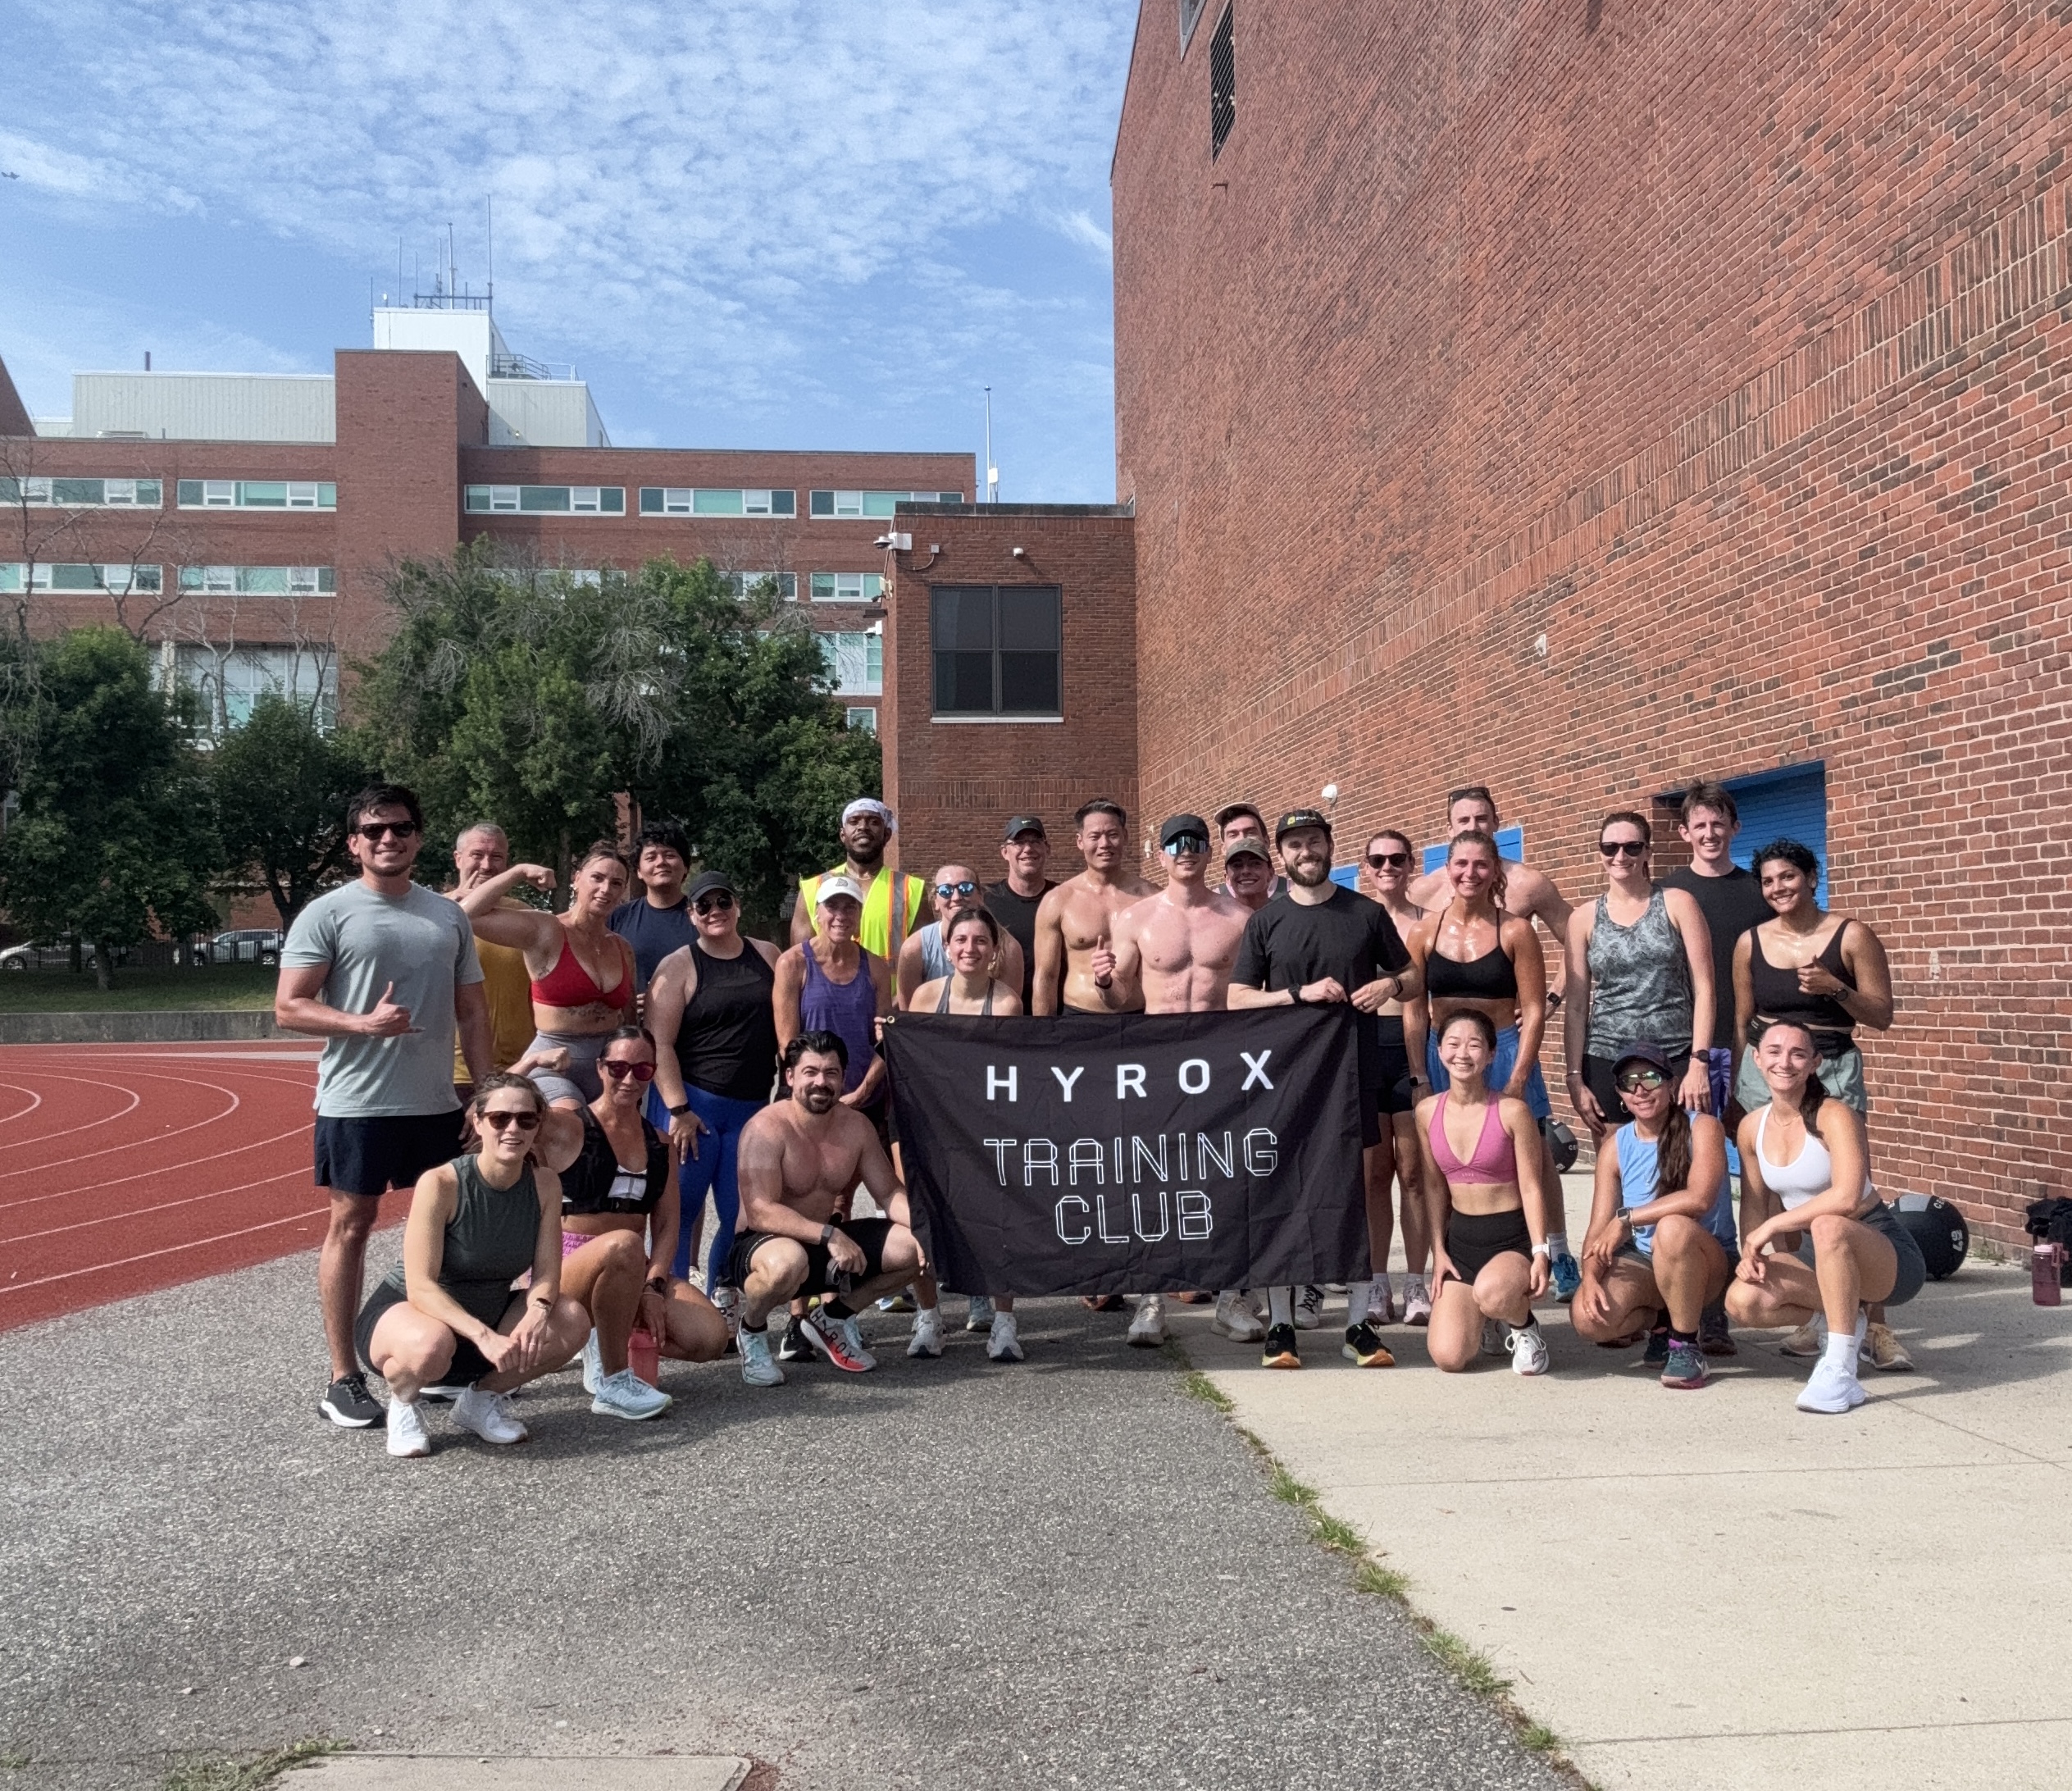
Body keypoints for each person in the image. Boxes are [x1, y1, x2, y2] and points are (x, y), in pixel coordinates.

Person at [277, 782, 491, 1431]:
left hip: (434, 1103)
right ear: (354, 843)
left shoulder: (448, 916)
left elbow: (473, 1011)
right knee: (353, 1224)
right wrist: (361, 1024)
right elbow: (288, 1007)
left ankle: (438, 1359)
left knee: (454, 1231)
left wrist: (485, 1094)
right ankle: (343, 1377)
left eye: (399, 828)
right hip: (357, 1103)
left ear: (419, 837)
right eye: (373, 831)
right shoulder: (327, 913)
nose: (387, 839)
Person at [1228, 809, 1418, 1369]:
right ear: (1280, 858)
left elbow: (1410, 979)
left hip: (1352, 1072)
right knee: (1285, 1194)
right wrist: (1296, 995)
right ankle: (1281, 1326)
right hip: (1284, 1077)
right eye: (1293, 845)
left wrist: (1387, 982)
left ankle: (1358, 1324)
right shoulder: (1267, 921)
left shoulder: (1364, 912)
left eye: (1313, 841)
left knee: (1357, 1192)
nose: (1304, 851)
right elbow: (1238, 998)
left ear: (1329, 846)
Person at [353, 1073, 592, 1458]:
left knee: (570, 1318)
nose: (512, 1128)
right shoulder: (442, 1183)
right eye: (499, 1119)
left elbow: (547, 1271)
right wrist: (484, 1336)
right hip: (414, 1315)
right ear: (478, 1122)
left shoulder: (545, 1184)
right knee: (431, 1345)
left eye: (525, 1119)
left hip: (485, 1319)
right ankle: (404, 1401)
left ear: (537, 1126)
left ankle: (479, 1403)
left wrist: (538, 1310)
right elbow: (421, 1286)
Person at [1731, 839, 1904, 1369]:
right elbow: (1742, 1019)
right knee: (1774, 1193)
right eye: (1767, 881)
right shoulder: (1749, 942)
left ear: (1810, 877)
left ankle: (1875, 1327)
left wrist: (1835, 988)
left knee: (1843, 1195)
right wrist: (1747, 1077)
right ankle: (1814, 1313)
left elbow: (1880, 1015)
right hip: (1765, 1073)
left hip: (1832, 1066)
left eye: (1787, 877)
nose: (1777, 888)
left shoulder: (1850, 936)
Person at [1405, 786, 1580, 1291]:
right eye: (1461, 864)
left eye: (1481, 866)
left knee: (1535, 1152)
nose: (1470, 874)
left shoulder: (1516, 927)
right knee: (1448, 1157)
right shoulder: (1425, 923)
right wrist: (1419, 1072)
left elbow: (1531, 1004)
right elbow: (1415, 1009)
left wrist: (1522, 1068)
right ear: (1449, 853)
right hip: (1445, 1053)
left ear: (1495, 867)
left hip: (1503, 1048)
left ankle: (1555, 1250)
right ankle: (1456, 1257)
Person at [1090, 814, 1254, 1347]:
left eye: (1195, 843)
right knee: (1152, 1182)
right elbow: (1121, 1002)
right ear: (1158, 854)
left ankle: (1232, 1298)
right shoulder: (1136, 917)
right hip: (1157, 1064)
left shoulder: (1238, 916)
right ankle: (1151, 1299)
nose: (1185, 851)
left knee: (1227, 1180)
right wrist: (1106, 982)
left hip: (1220, 1062)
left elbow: (1253, 995)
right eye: (1174, 843)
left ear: (1209, 852)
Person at [1723, 1019, 1926, 1414]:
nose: (1786, 1062)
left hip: (1885, 1255)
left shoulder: (1835, 1116)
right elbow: (1753, 1204)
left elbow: (1848, 1197)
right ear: (1757, 1059)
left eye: (1798, 1053)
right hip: (1823, 1260)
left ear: (1815, 1062)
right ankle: (1850, 1323)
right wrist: (1752, 1255)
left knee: (1828, 1223)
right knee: (1744, 1301)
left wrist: (1774, 1225)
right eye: (1775, 1052)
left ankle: (1840, 1367)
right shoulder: (1751, 1127)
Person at [537, 1025, 728, 1419]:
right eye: (619, 1067)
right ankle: (610, 1371)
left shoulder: (659, 1143)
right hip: (568, 1263)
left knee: (710, 1338)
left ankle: (611, 1331)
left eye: (642, 1071)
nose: (629, 1079)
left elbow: (667, 1225)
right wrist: (531, 1062)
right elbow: (506, 1105)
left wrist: (654, 1287)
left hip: (632, 1268)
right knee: (623, 1241)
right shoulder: (567, 1124)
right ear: (601, 1068)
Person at [726, 1032, 927, 1386]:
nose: (822, 1082)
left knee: (916, 1245)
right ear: (790, 1077)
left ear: (843, 1077)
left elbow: (889, 1193)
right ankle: (753, 1329)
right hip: (765, 1243)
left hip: (823, 1243)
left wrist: (928, 1231)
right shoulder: (765, 1128)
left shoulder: (856, 1127)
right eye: (810, 1072)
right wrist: (830, 1234)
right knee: (788, 1262)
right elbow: (760, 1211)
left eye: (831, 1073)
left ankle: (831, 1318)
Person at [646, 870, 783, 1312]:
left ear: (737, 906)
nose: (715, 912)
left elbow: (787, 1030)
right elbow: (660, 1043)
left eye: (723, 902)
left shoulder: (768, 955)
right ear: (692, 915)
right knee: (681, 1213)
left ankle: (722, 1294)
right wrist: (678, 1109)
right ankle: (677, 1307)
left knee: (741, 1214)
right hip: (697, 1108)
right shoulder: (679, 965)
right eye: (704, 906)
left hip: (751, 1109)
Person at [1571, 1042, 1737, 1389]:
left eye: (1650, 1077)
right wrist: (1589, 1277)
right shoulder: (1615, 1146)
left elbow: (1700, 1199)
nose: (1640, 1089)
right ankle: (1663, 1321)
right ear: (1620, 1093)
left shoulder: (1703, 1127)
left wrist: (1627, 1218)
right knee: (1589, 1320)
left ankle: (1685, 1345)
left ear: (1671, 1084)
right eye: (1629, 1082)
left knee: (1673, 1227)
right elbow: (1598, 1227)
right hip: (1647, 1261)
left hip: (1706, 1261)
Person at [907, 908, 1028, 1362]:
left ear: (994, 951)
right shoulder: (924, 996)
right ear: (947, 946)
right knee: (924, 1218)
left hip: (987, 1128)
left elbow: (1011, 1075)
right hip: (931, 1125)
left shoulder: (1006, 1003)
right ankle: (930, 1316)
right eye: (961, 941)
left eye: (980, 941)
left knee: (999, 1221)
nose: (970, 949)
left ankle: (1004, 1321)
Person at [1416, 1010, 1553, 1377]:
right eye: (1453, 1043)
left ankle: (1524, 1329)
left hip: (1510, 1240)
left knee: (1493, 1293)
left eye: (1475, 1044)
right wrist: (1438, 1251)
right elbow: (1432, 1185)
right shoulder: (1427, 1112)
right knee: (1449, 1357)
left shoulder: (1513, 1112)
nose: (1463, 1053)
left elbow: (1532, 1185)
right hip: (1461, 1244)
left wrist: (1541, 1252)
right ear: (1439, 1051)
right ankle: (1490, 1316)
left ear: (1491, 1054)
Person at [1563, 809, 1715, 1130]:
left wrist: (1699, 1061)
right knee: (1615, 1164)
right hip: (1606, 1057)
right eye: (1610, 847)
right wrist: (1574, 1077)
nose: (1621, 855)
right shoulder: (1583, 918)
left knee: (1678, 1162)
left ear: (1648, 851)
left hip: (1673, 1054)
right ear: (1600, 852)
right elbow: (1576, 1007)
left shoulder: (1678, 903)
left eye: (1632, 847)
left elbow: (1705, 988)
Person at [456, 841, 637, 1108]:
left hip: (607, 1063)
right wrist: (518, 872)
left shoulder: (622, 947)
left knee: (610, 1139)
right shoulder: (547, 930)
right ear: (577, 879)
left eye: (616, 883)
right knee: (572, 1123)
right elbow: (465, 915)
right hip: (554, 1061)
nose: (605, 889)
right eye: (597, 878)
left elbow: (629, 1016)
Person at [1659, 782, 1772, 1121]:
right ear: (1684, 832)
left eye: (1718, 824)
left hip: (1748, 1042)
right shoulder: (1665, 894)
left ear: (1735, 828)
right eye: (1700, 825)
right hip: (1683, 1045)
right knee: (1685, 1147)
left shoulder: (1759, 891)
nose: (1710, 834)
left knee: (1755, 1141)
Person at [1359, 828, 1432, 1327]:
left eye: (1397, 859)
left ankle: (1417, 1283)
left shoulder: (1430, 924)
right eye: (1378, 859)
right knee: (1373, 1175)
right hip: (1365, 1051)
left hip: (1414, 1053)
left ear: (1410, 866)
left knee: (1414, 1173)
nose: (1388, 867)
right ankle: (1377, 1283)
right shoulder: (1356, 922)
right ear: (1365, 867)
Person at [774, 876, 893, 1128]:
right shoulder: (792, 964)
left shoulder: (876, 968)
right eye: (832, 906)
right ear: (817, 913)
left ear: (860, 915)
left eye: (849, 907)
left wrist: (862, 1092)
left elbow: (885, 1042)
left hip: (865, 1103)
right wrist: (820, 1091)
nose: (841, 915)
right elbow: (788, 1045)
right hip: (808, 1103)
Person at [1031, 799, 1157, 1015]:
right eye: (1095, 836)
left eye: (1112, 834)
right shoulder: (1060, 900)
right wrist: (1043, 1035)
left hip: (1139, 1018)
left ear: (1125, 837)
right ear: (1080, 841)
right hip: (1080, 1018)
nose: (1105, 844)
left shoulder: (1152, 897)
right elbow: (1046, 976)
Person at [445, 823, 535, 1099]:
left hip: (518, 1071)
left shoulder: (525, 917)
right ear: (458, 858)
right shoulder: (435, 915)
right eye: (477, 855)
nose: (487, 865)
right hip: (453, 1073)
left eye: (496, 857)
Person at [790, 797, 931, 960]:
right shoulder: (813, 889)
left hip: (890, 987)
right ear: (843, 834)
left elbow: (926, 958)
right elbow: (800, 962)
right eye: (854, 821)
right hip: (834, 987)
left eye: (873, 822)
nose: (863, 827)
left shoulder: (912, 889)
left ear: (887, 834)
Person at [896, 862, 1025, 1009]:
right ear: (935, 902)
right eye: (945, 890)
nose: (956, 897)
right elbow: (908, 1018)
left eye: (966, 888)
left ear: (980, 896)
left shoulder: (1007, 948)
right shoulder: (915, 948)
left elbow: (1004, 1012)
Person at [609, 819, 697, 998]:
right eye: (651, 857)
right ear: (639, 871)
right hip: (635, 1023)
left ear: (685, 867)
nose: (661, 862)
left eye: (669, 855)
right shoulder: (618, 918)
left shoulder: (704, 916)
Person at [985, 816, 1057, 1011]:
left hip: (1057, 1015)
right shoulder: (986, 901)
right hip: (1001, 1012)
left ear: (1047, 849)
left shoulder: (1063, 899)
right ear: (1004, 852)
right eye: (1019, 842)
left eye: (1035, 841)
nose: (1028, 849)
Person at [1215, 804, 1288, 904]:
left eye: (1250, 833)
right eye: (1233, 835)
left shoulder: (1293, 892)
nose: (1242, 840)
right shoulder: (1215, 903)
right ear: (1223, 849)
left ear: (1266, 841)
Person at [1220, 832, 1277, 915]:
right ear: (1227, 878)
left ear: (1271, 874)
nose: (1245, 871)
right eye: (1237, 865)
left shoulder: (1286, 916)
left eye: (1255, 863)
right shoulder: (1219, 922)